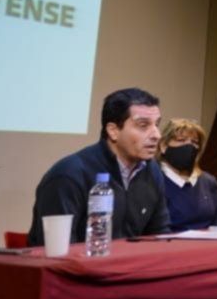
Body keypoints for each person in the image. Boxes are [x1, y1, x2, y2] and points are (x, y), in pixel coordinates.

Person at [27, 88, 171, 246]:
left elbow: (160, 236)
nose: (156, 135)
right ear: (113, 131)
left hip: (131, 261)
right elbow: (56, 249)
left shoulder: (152, 170)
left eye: (157, 124)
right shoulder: (69, 175)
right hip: (83, 260)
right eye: (143, 125)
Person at [158, 118, 217, 231]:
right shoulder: (152, 180)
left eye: (194, 142)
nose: (189, 146)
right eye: (181, 140)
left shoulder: (208, 181)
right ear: (163, 146)